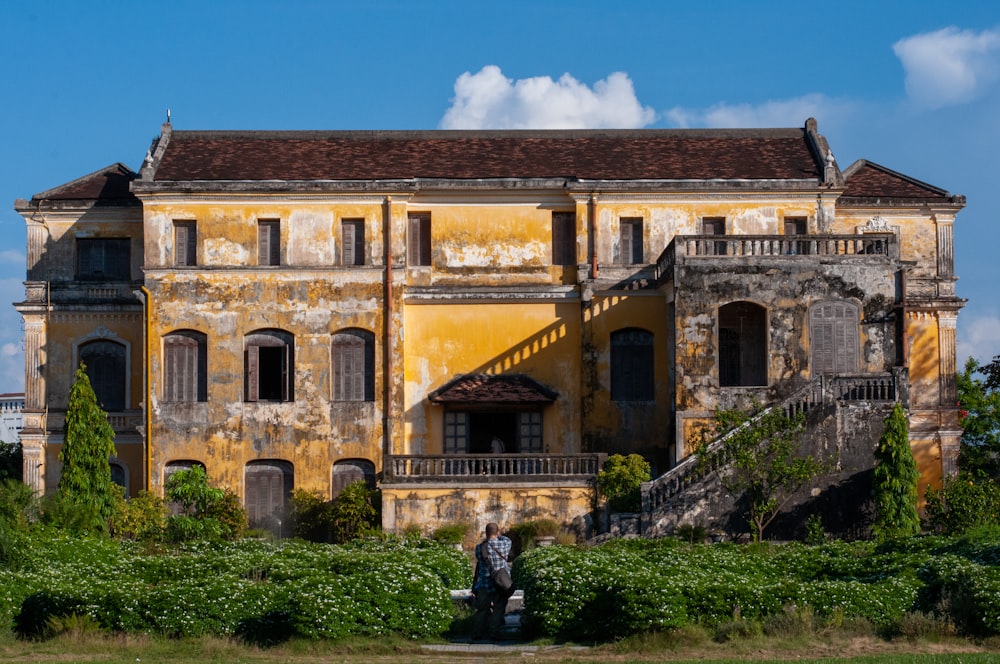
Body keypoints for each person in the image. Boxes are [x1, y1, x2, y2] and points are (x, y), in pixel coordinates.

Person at [471, 522, 513, 640]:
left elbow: (479, 560)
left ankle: (477, 633)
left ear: (486, 533)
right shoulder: (505, 544)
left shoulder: (480, 548)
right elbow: (507, 539)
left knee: (482, 610)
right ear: (497, 532)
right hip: (501, 584)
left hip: (485, 584)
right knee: (498, 609)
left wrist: (487, 539)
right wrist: (497, 535)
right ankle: (494, 634)